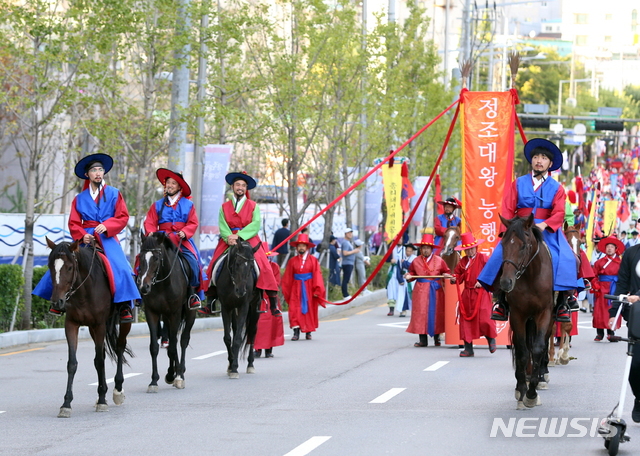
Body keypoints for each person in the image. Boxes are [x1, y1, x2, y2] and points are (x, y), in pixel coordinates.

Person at [478, 138, 582, 323]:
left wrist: (544, 225)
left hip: (546, 229)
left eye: (543, 158)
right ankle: (501, 301)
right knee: (501, 254)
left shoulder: (557, 188)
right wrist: (509, 227)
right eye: (535, 157)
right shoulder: (517, 183)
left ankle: (564, 301)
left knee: (566, 257)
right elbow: (508, 207)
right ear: (531, 161)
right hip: (518, 226)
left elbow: (559, 211)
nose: (538, 160)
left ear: (550, 164)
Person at [33, 153, 141, 323]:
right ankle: (55, 300)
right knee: (62, 263)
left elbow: (122, 216)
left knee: (121, 266)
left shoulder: (114, 193)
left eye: (100, 170)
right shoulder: (79, 198)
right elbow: (74, 222)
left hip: (107, 237)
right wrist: (82, 236)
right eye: (94, 170)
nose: (98, 173)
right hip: (85, 239)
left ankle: (124, 305)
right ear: (87, 175)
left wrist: (107, 226)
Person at [201, 171, 280, 316]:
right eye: (238, 184)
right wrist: (228, 237)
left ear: (246, 189)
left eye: (243, 185)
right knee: (213, 265)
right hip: (228, 239)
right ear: (232, 186)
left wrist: (239, 236)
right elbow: (222, 224)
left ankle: (273, 302)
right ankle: (210, 301)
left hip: (249, 239)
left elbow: (255, 225)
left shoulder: (253, 205)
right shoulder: (224, 207)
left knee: (264, 266)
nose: (240, 187)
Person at [143, 168, 204, 310]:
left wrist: (185, 231)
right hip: (161, 240)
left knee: (194, 263)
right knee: (143, 261)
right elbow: (150, 222)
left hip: (181, 240)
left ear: (179, 187)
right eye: (168, 183)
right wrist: (151, 233)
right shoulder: (157, 204)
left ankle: (192, 295)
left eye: (173, 183)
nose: (170, 185)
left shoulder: (188, 205)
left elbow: (193, 222)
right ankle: (142, 292)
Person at [450, 233, 497, 357]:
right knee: (465, 320)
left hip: (481, 292)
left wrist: (483, 281)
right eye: (467, 249)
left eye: (472, 248)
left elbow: (492, 271)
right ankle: (468, 348)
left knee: (485, 316)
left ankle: (491, 338)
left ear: (476, 248)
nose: (470, 251)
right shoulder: (463, 261)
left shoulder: (483, 258)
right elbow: (458, 275)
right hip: (467, 293)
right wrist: (454, 278)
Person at [608, 241, 640, 423]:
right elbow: (622, 283)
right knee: (634, 364)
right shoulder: (631, 253)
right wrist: (615, 311)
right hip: (637, 314)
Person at [404, 233, 453, 347]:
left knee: (437, 312)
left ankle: (437, 338)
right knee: (421, 313)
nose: (425, 250)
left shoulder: (439, 260)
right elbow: (412, 273)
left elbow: (446, 271)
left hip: (436, 290)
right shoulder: (416, 261)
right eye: (424, 248)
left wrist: (446, 275)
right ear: (421, 249)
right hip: (420, 291)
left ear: (431, 249)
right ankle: (423, 340)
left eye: (428, 248)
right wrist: (408, 276)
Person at [281, 233, 326, 340]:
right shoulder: (292, 261)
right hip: (296, 288)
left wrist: (317, 289)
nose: (301, 248)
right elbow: (287, 277)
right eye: (299, 246)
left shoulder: (313, 261)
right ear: (296, 248)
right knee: (294, 309)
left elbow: (317, 275)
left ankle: (308, 330)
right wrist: (288, 290)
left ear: (307, 247)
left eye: (303, 246)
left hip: (309, 287)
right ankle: (296, 331)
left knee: (309, 308)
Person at [591, 236, 625, 341]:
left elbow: (624, 276)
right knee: (599, 311)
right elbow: (593, 275)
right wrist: (595, 284)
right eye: (608, 247)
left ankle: (611, 332)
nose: (609, 249)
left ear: (616, 249)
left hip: (614, 288)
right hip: (601, 288)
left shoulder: (621, 263)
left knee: (612, 309)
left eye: (612, 247)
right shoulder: (599, 262)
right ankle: (599, 333)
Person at [254, 242, 285, 358]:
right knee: (257, 324)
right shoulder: (254, 266)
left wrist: (266, 283)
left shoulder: (274, 267)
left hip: (269, 298)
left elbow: (276, 283)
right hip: (257, 298)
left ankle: (268, 349)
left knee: (271, 325)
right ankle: (257, 348)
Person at [386, 240, 408, 316]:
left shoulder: (405, 249)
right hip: (393, 271)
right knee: (391, 289)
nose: (399, 240)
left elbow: (409, 259)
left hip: (402, 272)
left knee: (402, 290)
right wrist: (390, 259)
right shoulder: (392, 248)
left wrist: (404, 261)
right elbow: (386, 258)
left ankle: (403, 309)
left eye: (401, 238)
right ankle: (391, 309)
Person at [340, 228, 360, 299]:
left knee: (347, 279)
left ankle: (346, 294)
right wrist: (354, 251)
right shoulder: (345, 242)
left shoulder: (348, 242)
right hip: (347, 263)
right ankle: (345, 294)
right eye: (348, 233)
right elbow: (345, 253)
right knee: (346, 279)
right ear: (345, 234)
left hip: (349, 262)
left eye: (351, 233)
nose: (350, 234)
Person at [399, 244, 417, 317]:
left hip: (411, 279)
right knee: (403, 296)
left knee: (412, 296)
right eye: (407, 251)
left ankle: (415, 311)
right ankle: (403, 310)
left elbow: (412, 266)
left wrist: (404, 263)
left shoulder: (415, 258)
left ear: (412, 252)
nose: (408, 252)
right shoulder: (402, 257)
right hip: (403, 278)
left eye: (410, 251)